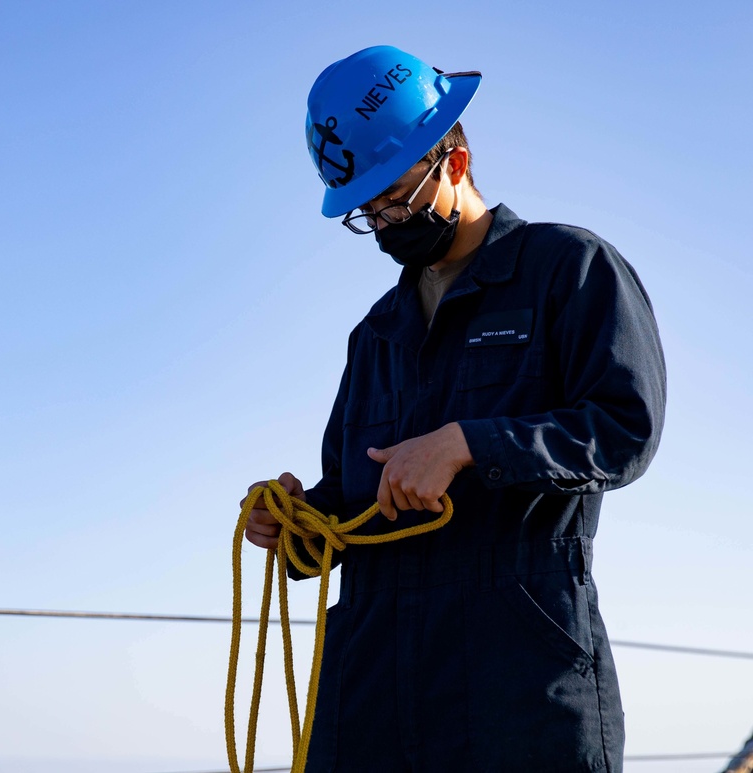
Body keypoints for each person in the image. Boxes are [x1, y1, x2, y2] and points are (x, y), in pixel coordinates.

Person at [241, 45, 666, 772]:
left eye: (396, 198)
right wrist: (292, 523)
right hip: (372, 699)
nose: (384, 223)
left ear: (456, 162)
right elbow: (350, 506)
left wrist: (471, 443)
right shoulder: (374, 336)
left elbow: (624, 428)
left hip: (519, 693)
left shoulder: (569, 269)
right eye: (367, 212)